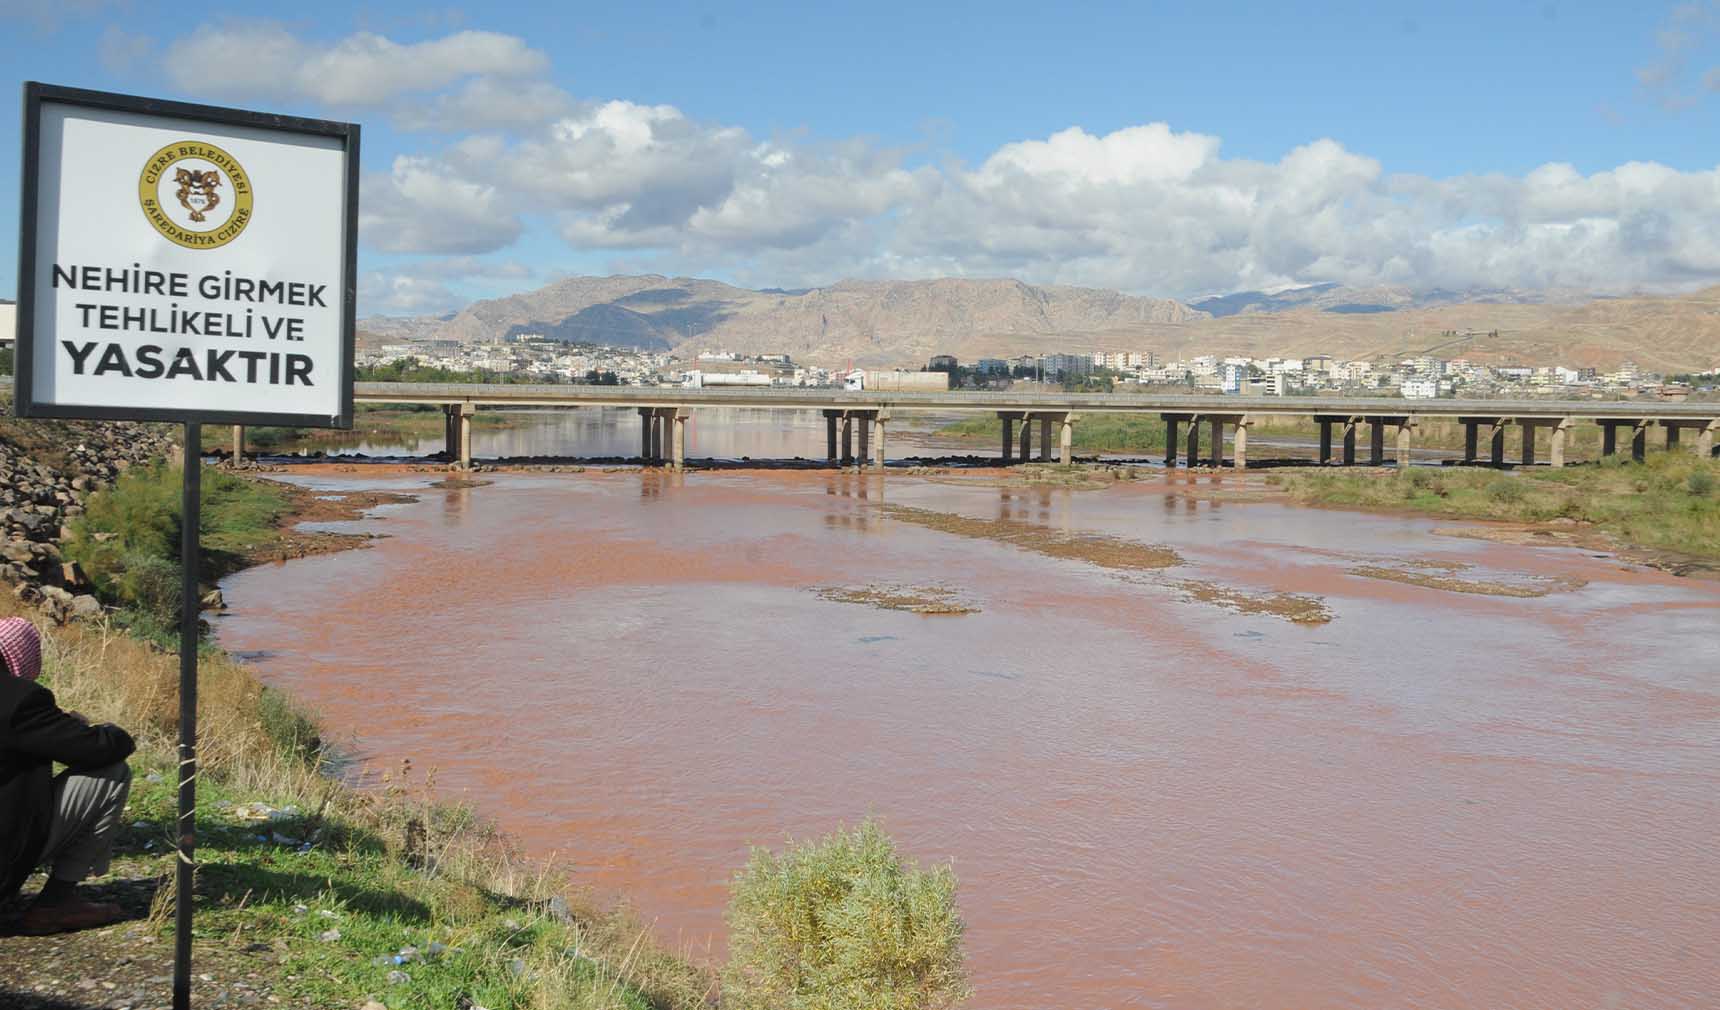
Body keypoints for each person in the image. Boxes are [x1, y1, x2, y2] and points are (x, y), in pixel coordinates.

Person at [0, 616, 135, 933]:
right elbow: (100, 750)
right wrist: (98, 729)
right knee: (112, 774)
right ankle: (55, 902)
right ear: (21, 658)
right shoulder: (18, 700)